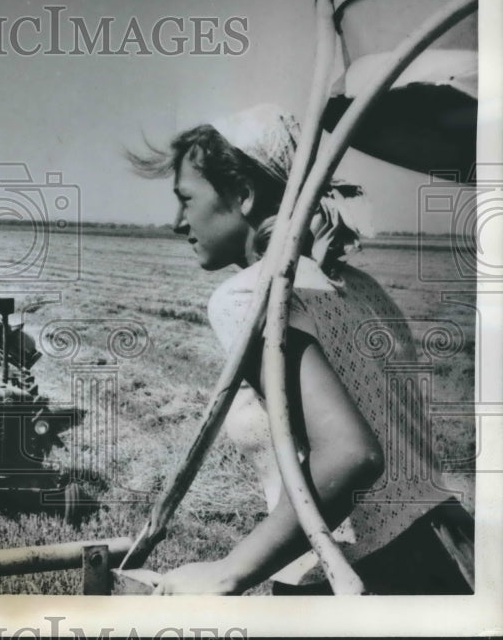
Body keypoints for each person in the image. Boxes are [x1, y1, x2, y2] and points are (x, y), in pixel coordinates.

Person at [128, 104, 473, 595]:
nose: (177, 221)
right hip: (445, 554)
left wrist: (226, 573)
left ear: (244, 196)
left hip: (355, 578)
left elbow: (351, 455)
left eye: (185, 199)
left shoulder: (249, 296)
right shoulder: (358, 285)